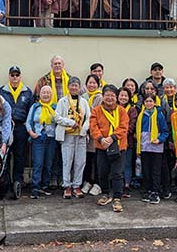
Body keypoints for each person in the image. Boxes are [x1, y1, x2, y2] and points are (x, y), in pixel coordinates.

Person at [90, 85, 129, 213]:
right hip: (102, 146)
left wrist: (112, 138)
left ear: (116, 97)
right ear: (103, 96)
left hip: (119, 146)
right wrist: (101, 139)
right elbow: (93, 127)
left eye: (112, 95)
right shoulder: (96, 110)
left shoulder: (121, 111)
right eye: (107, 95)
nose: (110, 98)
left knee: (117, 173)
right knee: (102, 172)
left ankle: (117, 197)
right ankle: (105, 194)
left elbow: (124, 127)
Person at [55, 77, 91, 199]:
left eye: (76, 85)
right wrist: (70, 122)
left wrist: (83, 129)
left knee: (80, 161)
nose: (74, 87)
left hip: (80, 136)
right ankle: (67, 186)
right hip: (67, 135)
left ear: (79, 87)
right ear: (68, 87)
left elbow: (89, 118)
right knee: (67, 161)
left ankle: (77, 185)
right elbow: (57, 117)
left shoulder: (84, 102)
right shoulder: (62, 101)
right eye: (72, 85)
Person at [0, 66, 34, 185]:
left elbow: (31, 109)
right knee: (6, 154)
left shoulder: (27, 91)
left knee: (20, 155)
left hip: (21, 127)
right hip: (7, 126)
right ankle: (6, 180)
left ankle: (18, 180)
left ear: (20, 76)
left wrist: (27, 123)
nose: (14, 77)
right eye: (12, 75)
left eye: (17, 75)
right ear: (9, 76)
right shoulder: (2, 91)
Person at [135, 94, 169, 204]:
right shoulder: (141, 116)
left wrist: (159, 139)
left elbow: (165, 131)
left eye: (151, 101)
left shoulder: (159, 115)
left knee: (156, 171)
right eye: (146, 101)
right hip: (144, 147)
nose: (148, 103)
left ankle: (155, 191)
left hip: (156, 148)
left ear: (155, 103)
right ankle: (148, 190)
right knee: (146, 170)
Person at [26, 86, 57, 199]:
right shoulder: (35, 107)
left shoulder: (55, 107)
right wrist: (31, 133)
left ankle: (45, 185)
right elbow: (28, 122)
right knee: (38, 163)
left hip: (51, 138)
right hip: (38, 138)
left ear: (51, 94)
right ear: (40, 94)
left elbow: (59, 121)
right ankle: (35, 186)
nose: (46, 95)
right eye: (44, 92)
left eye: (48, 93)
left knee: (48, 164)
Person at [117, 87, 138, 197]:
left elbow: (132, 126)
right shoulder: (113, 108)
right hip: (114, 142)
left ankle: (126, 185)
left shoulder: (132, 110)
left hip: (127, 141)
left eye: (126, 95)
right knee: (116, 164)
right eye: (121, 95)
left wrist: (119, 133)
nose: (123, 97)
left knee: (127, 164)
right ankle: (117, 185)